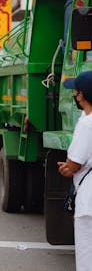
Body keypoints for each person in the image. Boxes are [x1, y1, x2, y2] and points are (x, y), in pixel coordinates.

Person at [58, 71, 92, 271]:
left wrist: (66, 168)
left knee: (87, 258)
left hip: (89, 201)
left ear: (81, 95)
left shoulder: (87, 123)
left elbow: (74, 163)